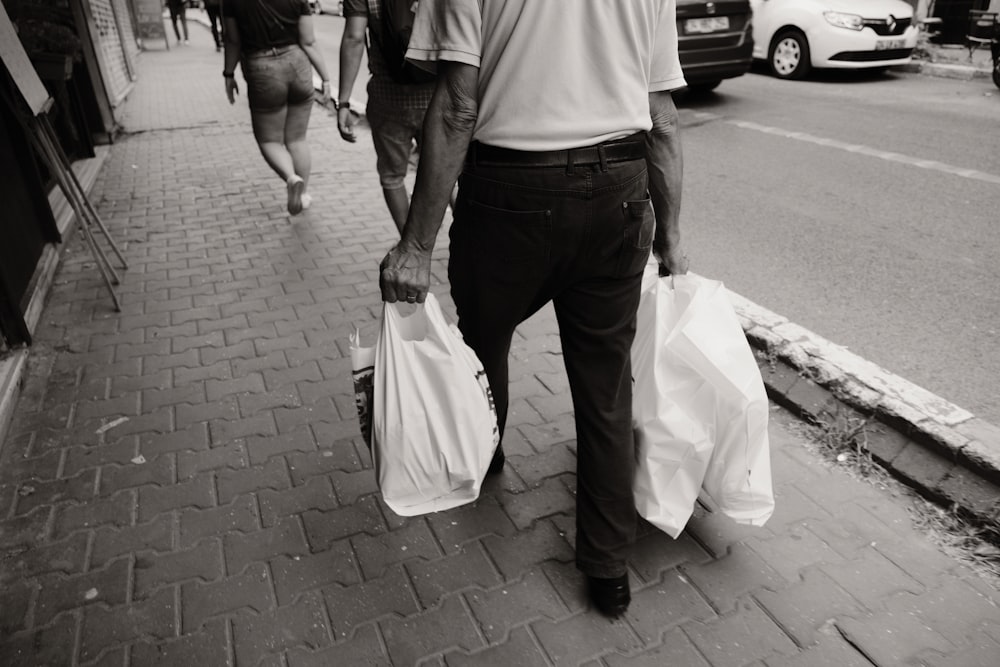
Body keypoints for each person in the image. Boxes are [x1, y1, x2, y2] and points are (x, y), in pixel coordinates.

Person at [378, 0, 689, 617]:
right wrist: (673, 237)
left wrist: (416, 245)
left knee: (485, 340)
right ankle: (607, 567)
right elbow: (661, 117)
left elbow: (458, 107)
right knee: (605, 388)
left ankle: (484, 449)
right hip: (618, 195)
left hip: (506, 198)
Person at [222, 0, 332, 215]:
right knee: (297, 139)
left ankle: (291, 178)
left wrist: (228, 73)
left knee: (269, 140)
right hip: (297, 63)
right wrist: (326, 78)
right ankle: (302, 194)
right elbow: (309, 41)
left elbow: (232, 41)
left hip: (262, 68)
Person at [336, 0, 436, 233]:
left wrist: (343, 102)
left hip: (388, 99)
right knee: (445, 172)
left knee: (392, 176)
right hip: (436, 95)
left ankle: (410, 246)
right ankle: (463, 240)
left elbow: (354, 38)